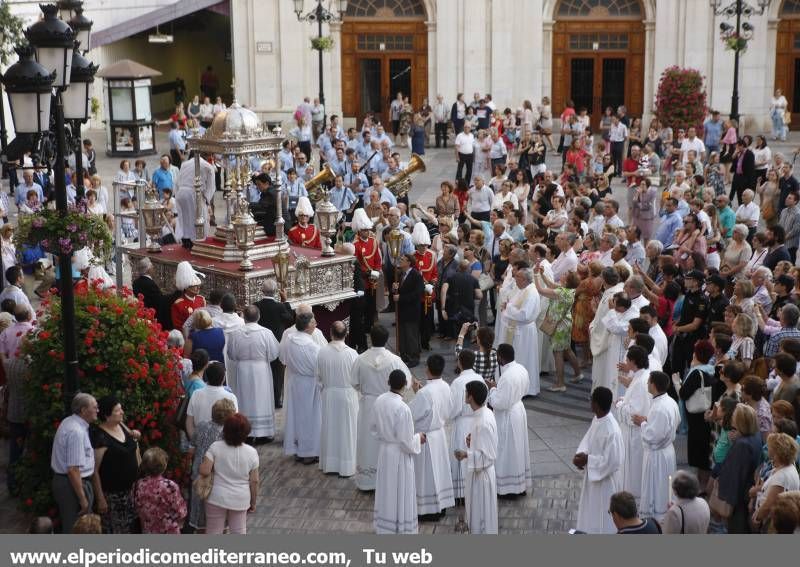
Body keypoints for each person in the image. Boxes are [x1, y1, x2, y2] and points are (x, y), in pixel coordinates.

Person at [352, 325, 412, 491]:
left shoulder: (360, 358)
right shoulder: (394, 360)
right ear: (387, 340)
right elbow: (406, 382)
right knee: (386, 440)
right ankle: (385, 480)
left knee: (367, 441)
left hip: (368, 406)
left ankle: (367, 481)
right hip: (389, 405)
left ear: (371, 338)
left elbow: (354, 382)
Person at [372, 370, 425, 534]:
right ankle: (400, 526)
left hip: (385, 451)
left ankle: (385, 526)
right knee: (400, 490)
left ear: (388, 382)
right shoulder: (403, 408)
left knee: (386, 489)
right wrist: (419, 438)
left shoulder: (379, 401)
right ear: (404, 386)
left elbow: (373, 429)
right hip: (399, 455)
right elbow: (406, 441)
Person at [409, 355, 455, 520]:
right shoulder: (446, 387)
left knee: (426, 475)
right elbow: (449, 410)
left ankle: (427, 509)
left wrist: (417, 394)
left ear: (427, 368)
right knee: (439, 472)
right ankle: (440, 505)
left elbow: (411, 414)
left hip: (425, 438)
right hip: (439, 435)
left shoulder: (425, 393)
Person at [198, 413, 259, 534]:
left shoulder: (215, 447)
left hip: (216, 496)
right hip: (240, 498)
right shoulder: (252, 452)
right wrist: (253, 502)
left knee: (213, 532)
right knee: (239, 531)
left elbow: (204, 470)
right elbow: (255, 481)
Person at [574, 386, 624, 534]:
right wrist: (580, 455)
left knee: (603, 514)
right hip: (593, 476)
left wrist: (588, 460)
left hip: (605, 482)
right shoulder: (597, 419)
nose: (590, 403)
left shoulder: (612, 430)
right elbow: (588, 441)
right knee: (591, 511)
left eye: (591, 400)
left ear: (596, 404)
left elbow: (613, 461)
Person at [226, 306, 279, 443]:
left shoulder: (235, 333)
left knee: (244, 399)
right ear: (259, 316)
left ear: (243, 316)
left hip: (243, 369)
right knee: (262, 398)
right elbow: (274, 353)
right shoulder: (266, 333)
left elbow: (231, 354)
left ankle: (246, 432)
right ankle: (262, 433)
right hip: (260, 369)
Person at [634, 371, 681, 522]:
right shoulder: (670, 401)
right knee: (664, 487)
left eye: (648, 381)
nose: (647, 384)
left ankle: (658, 518)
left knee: (658, 488)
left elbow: (653, 436)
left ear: (653, 385)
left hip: (657, 455)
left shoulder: (660, 407)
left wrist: (642, 423)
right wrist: (648, 420)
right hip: (667, 451)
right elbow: (674, 422)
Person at [453, 380, 498, 534]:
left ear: (471, 397)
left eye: (466, 393)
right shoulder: (485, 413)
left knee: (481, 516)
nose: (465, 396)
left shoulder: (482, 422)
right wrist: (472, 442)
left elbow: (489, 456)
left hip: (482, 478)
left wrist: (466, 454)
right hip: (480, 476)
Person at [90, 395, 140, 534]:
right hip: (112, 497)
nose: (122, 412)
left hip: (130, 492)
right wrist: (100, 498)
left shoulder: (122, 426)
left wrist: (136, 435)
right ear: (107, 415)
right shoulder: (101, 437)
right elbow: (94, 470)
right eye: (118, 410)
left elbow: (132, 445)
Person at [487, 344, 532, 497]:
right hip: (519, 410)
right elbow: (525, 390)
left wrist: (492, 389)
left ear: (500, 357)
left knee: (507, 451)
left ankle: (508, 489)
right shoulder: (521, 369)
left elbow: (499, 403)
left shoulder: (506, 376)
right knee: (518, 449)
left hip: (508, 416)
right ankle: (520, 485)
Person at [317, 321, 359, 477]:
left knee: (330, 429)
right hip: (348, 395)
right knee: (347, 430)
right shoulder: (352, 354)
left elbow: (319, 376)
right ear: (346, 334)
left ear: (330, 333)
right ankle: (347, 465)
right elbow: (357, 379)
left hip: (329, 395)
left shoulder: (322, 352)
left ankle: (330, 464)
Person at [51, 393, 98, 533]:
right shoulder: (76, 431)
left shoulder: (71, 422)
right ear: (83, 410)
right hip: (72, 485)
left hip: (71, 483)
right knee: (76, 529)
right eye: (94, 407)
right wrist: (83, 499)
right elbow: (73, 469)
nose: (98, 410)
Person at [188, 398, 236, 532]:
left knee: (200, 521)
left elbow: (191, 449)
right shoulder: (225, 433)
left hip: (198, 476)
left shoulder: (202, 425)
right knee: (219, 521)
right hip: (214, 481)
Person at [716, 404, 763, 533]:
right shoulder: (756, 435)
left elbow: (735, 475)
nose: (731, 418)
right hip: (748, 493)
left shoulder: (742, 445)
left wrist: (727, 503)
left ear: (740, 421)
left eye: (734, 416)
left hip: (740, 500)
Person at [496, 267, 541, 397]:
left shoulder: (531, 293)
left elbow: (524, 315)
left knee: (523, 359)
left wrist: (508, 308)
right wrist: (509, 306)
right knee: (519, 357)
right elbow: (512, 304)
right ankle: (515, 386)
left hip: (524, 331)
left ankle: (525, 389)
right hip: (518, 329)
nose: (515, 279)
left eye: (517, 277)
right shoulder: (523, 290)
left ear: (525, 279)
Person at [616, 345, 651, 499]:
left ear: (633, 362)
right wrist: (625, 399)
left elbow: (634, 414)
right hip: (635, 434)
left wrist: (619, 405)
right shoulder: (641, 376)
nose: (625, 362)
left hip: (634, 435)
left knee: (632, 471)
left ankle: (632, 498)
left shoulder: (641, 381)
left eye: (627, 359)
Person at [751, 432, 800, 532]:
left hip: (771, 521)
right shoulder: (788, 467)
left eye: (769, 447)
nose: (767, 449)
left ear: (777, 453)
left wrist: (757, 519)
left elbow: (769, 504)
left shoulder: (782, 476)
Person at [133, 447, 187, 534]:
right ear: (164, 466)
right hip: (168, 531)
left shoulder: (139, 484)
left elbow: (137, 507)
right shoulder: (169, 486)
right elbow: (181, 511)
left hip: (148, 530)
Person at [185, 362, 238, 441]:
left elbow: (189, 422)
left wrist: (195, 441)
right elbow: (235, 424)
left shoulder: (196, 394)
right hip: (222, 444)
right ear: (223, 378)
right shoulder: (230, 397)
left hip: (200, 441)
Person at [174, 153, 216, 247]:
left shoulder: (185, 164)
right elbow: (211, 186)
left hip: (181, 192)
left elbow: (177, 181)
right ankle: (196, 241)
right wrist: (206, 199)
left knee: (184, 218)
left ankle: (185, 240)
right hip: (194, 193)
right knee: (197, 218)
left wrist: (177, 194)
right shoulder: (208, 166)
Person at [392, 253, 425, 367]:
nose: (400, 261)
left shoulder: (416, 275)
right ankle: (404, 354)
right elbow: (400, 290)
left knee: (411, 334)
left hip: (411, 311)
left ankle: (414, 356)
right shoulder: (401, 274)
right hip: (402, 310)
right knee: (402, 334)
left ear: (409, 262)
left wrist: (401, 297)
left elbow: (418, 293)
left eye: (403, 259)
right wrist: (395, 289)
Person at [171, 261, 206, 330]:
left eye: (198, 285)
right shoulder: (178, 304)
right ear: (187, 287)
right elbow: (178, 326)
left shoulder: (201, 300)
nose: (198, 287)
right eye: (194, 285)